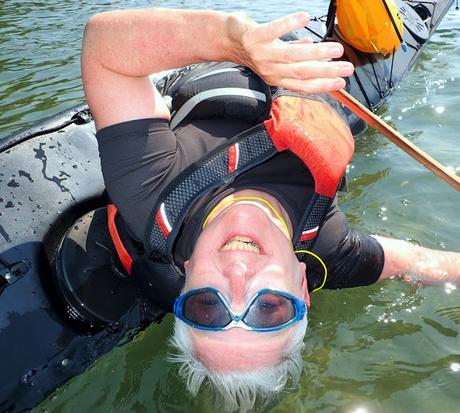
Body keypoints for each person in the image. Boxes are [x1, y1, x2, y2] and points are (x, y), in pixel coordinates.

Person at [81, 8, 460, 412]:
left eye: (207, 305)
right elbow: (415, 262)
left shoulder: (151, 191)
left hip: (229, 52)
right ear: (301, 285)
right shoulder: (326, 247)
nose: (240, 276)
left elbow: (102, 48)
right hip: (337, 81)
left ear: (187, 274)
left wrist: (233, 42)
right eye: (269, 308)